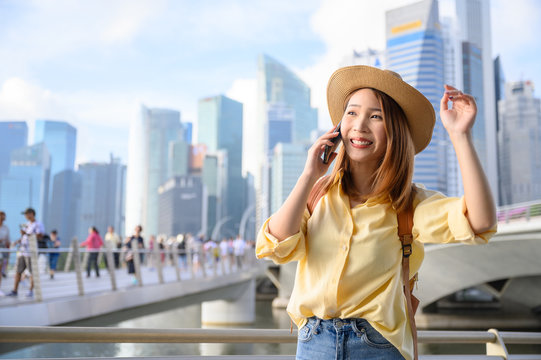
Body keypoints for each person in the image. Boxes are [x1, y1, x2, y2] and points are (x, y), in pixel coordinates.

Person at [255, 66, 497, 360]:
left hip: (377, 346)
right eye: (352, 113)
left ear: (394, 130)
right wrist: (309, 175)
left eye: (376, 116)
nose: (360, 125)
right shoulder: (318, 194)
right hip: (313, 343)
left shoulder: (410, 205)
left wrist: (460, 136)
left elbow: (480, 221)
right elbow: (275, 245)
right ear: (339, 126)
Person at [7, 208, 46, 298]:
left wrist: (27, 234)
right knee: (18, 271)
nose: (25, 216)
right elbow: (25, 236)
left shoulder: (38, 224)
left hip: (31, 252)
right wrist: (17, 241)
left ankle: (30, 291)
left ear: (31, 214)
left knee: (32, 272)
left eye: (26, 214)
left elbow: (40, 236)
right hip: (22, 251)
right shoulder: (27, 224)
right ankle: (15, 290)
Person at [0, 211, 10, 295]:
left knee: (0, 269)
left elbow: (8, 240)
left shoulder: (6, 228)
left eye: (3, 216)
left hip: (3, 249)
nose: (3, 217)